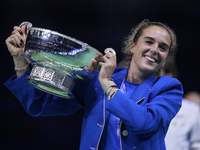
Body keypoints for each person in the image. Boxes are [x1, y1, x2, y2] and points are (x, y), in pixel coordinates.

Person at [5, 19, 183, 150]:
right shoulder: (95, 81)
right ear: (132, 46)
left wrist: (107, 82)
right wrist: (19, 57)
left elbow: (144, 122)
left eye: (162, 47)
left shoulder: (169, 88)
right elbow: (39, 104)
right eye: (149, 42)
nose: (154, 50)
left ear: (166, 56)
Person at [161, 58, 200, 150]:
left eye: (156, 73)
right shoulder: (140, 105)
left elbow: (197, 145)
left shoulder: (191, 110)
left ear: (168, 77)